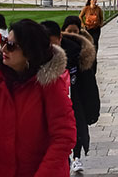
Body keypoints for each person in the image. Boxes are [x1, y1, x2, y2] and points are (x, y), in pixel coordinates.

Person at [0, 19, 77, 177]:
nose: (4, 48)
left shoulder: (50, 85)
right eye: (5, 42)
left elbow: (64, 136)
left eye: (11, 46)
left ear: (29, 52)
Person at [41, 20, 100, 174]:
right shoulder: (36, 56)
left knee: (72, 134)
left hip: (72, 104)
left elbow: (88, 85)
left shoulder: (77, 53)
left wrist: (91, 110)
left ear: (59, 37)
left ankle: (75, 157)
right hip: (47, 112)